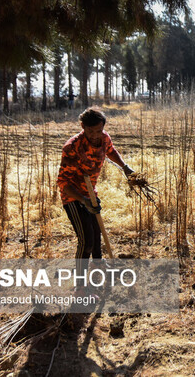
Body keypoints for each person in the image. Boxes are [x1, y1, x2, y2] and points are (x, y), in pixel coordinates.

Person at [57, 107, 134, 290]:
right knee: (86, 240)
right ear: (82, 127)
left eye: (98, 131)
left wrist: (124, 166)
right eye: (90, 131)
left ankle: (98, 266)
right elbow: (63, 183)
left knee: (97, 233)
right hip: (73, 197)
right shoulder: (72, 147)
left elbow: (110, 150)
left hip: (91, 192)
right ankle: (81, 283)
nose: (94, 135)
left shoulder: (104, 138)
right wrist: (83, 199)